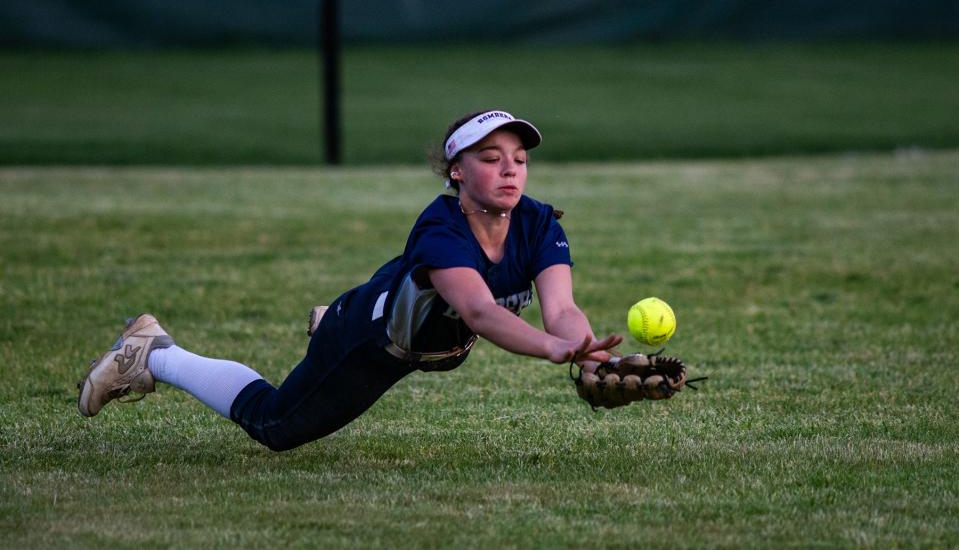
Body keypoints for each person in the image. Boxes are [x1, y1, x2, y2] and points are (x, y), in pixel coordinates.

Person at [77, 109, 623, 451]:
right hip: (373, 340)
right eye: (490, 157)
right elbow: (480, 312)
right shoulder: (441, 227)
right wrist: (556, 351)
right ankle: (153, 353)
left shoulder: (537, 220)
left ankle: (328, 321)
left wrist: (586, 349)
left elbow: (563, 308)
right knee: (276, 427)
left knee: (438, 339)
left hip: (428, 340)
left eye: (519, 158)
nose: (510, 170)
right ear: (457, 170)